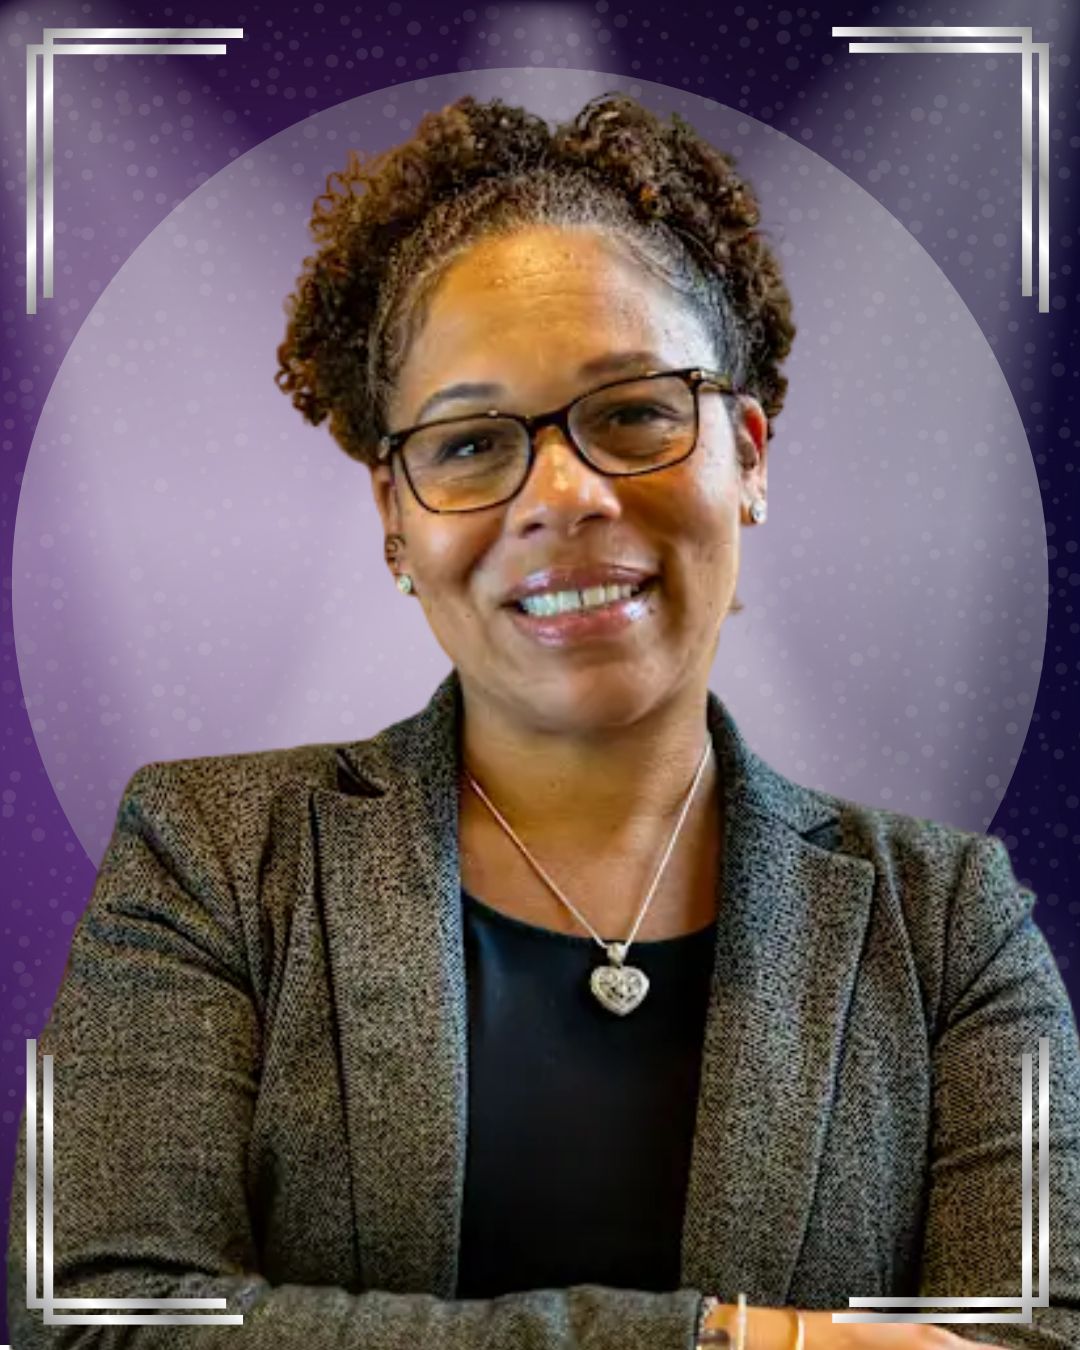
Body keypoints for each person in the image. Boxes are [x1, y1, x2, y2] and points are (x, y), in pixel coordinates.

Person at [6, 92, 1079, 1350]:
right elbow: (99, 1315)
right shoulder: (211, 858)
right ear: (395, 519)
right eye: (470, 444)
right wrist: (729, 1341)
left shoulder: (949, 922)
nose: (561, 495)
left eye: (632, 413)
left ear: (750, 455)